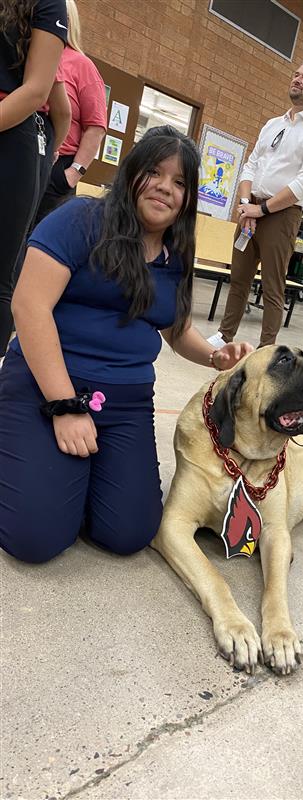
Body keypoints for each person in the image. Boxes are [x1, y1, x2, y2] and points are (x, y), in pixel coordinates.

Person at [0, 125, 252, 564]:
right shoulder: (81, 219)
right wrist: (65, 406)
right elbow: (28, 307)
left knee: (130, 532)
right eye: (155, 172)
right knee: (35, 540)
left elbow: (175, 330)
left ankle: (56, 475)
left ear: (189, 198)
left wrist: (215, 355)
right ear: (133, 171)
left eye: (179, 182)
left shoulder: (176, 254)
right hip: (47, 386)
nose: (165, 188)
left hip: (125, 402)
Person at [208, 59, 303, 349]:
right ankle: (224, 335)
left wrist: (263, 210)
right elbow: (250, 165)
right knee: (238, 277)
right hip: (250, 209)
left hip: (281, 215)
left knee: (272, 285)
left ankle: (266, 348)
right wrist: (245, 205)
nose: (297, 80)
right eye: (296, 75)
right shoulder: (273, 125)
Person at [0, 0, 68, 355]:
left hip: (13, 136)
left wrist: (53, 166)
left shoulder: (47, 5)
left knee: (4, 272)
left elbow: (42, 93)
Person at [34, 0, 107, 223]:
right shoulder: (33, 52)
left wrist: (73, 174)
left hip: (59, 168)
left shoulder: (81, 65)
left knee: (40, 240)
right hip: (29, 155)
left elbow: (96, 127)